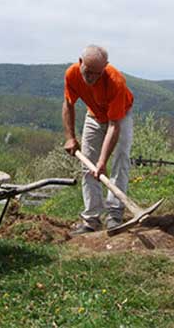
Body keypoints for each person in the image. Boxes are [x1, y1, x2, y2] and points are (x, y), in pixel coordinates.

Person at [63, 45, 134, 234]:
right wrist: (70, 137)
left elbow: (113, 126)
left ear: (105, 67)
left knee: (120, 159)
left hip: (119, 117)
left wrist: (102, 161)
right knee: (88, 165)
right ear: (80, 62)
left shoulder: (116, 81)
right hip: (93, 116)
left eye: (97, 73)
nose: (91, 77)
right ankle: (92, 219)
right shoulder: (71, 74)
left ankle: (114, 214)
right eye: (88, 71)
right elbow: (69, 104)